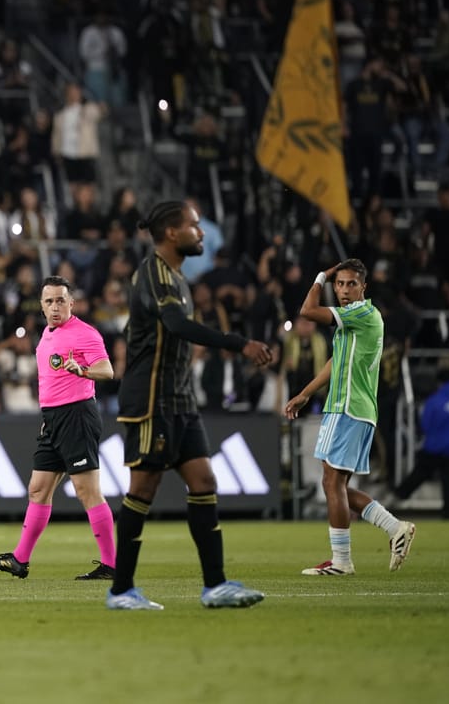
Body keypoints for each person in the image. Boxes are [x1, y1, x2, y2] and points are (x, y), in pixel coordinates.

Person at [106, 201, 273, 610]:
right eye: (194, 227)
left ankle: (214, 585)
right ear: (170, 234)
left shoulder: (178, 278)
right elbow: (177, 326)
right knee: (142, 490)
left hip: (180, 400)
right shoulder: (154, 272)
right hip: (152, 401)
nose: (200, 234)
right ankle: (120, 590)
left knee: (204, 482)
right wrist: (239, 343)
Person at [0, 276, 118, 581]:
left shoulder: (86, 334)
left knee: (87, 491)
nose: (55, 307)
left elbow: (107, 370)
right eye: (49, 302)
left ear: (72, 303)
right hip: (53, 419)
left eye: (60, 300)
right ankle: (20, 560)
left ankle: (111, 565)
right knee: (38, 489)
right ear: (41, 306)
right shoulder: (47, 332)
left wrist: (82, 370)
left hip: (77, 416)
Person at [286, 259, 416, 575]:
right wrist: (305, 393)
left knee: (331, 482)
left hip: (349, 408)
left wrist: (321, 275)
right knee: (336, 484)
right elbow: (336, 360)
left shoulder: (362, 313)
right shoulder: (351, 321)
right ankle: (394, 527)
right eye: (339, 284)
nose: (344, 290)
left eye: (351, 284)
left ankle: (342, 560)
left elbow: (306, 311)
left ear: (363, 288)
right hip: (349, 408)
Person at [388, 359, 449, 519]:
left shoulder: (435, 400)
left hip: (436, 448)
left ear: (440, 382)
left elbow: (426, 425)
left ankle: (397, 497)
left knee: (419, 474)